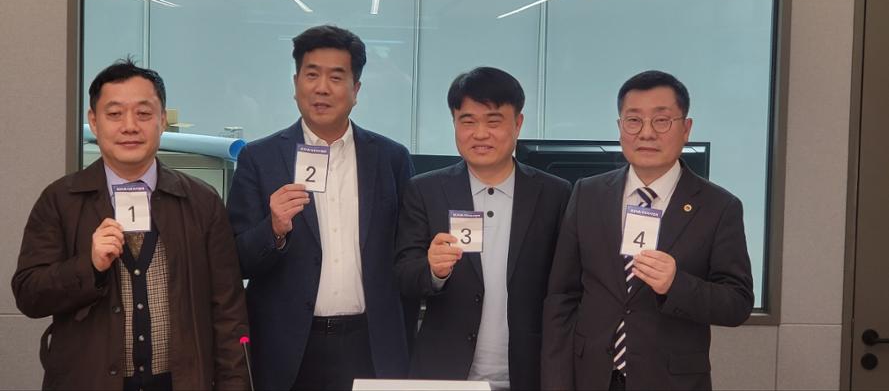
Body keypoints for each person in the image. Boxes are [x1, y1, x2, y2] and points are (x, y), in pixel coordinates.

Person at [12, 60, 249, 390]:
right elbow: (29, 295)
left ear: (162, 120)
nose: (129, 126)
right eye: (114, 114)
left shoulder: (201, 201)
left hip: (181, 381)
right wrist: (89, 266)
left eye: (143, 113)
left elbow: (228, 310)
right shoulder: (60, 200)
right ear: (93, 121)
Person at [227, 25, 414, 390]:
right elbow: (235, 260)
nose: (322, 88)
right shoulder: (260, 159)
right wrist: (273, 229)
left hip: (370, 344)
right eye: (312, 75)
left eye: (336, 77)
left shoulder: (391, 158)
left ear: (356, 90)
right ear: (295, 83)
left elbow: (407, 251)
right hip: (288, 349)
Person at [541, 70, 754, 391]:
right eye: (634, 121)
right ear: (620, 128)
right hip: (591, 376)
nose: (646, 133)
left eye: (662, 120)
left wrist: (676, 285)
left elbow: (738, 303)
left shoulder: (719, 206)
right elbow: (562, 297)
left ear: (686, 129)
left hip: (671, 381)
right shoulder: (587, 194)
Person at [395, 67, 571, 390]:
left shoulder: (555, 194)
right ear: (454, 122)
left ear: (518, 123)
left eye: (493, 121)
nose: (480, 134)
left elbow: (567, 287)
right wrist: (433, 270)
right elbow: (404, 275)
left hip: (529, 372)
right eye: (467, 121)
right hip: (446, 374)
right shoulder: (425, 190)